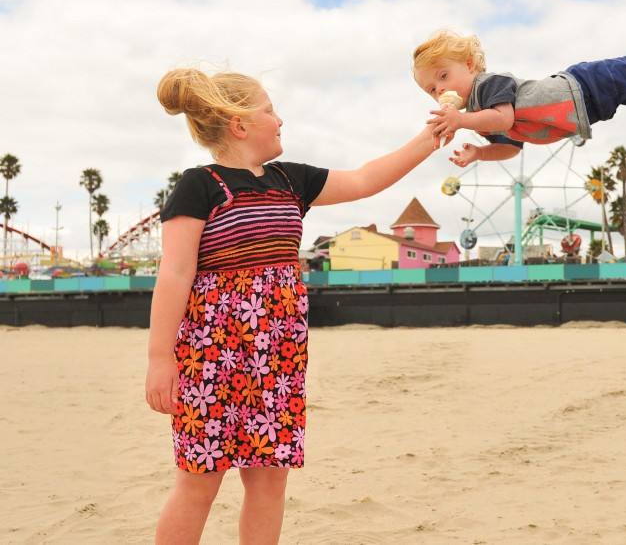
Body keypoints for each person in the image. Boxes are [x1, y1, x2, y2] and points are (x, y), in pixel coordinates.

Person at [148, 68, 437, 544]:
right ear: (240, 124)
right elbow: (175, 275)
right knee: (200, 478)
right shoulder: (199, 186)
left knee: (270, 476)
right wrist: (161, 360)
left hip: (278, 358)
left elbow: (365, 179)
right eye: (269, 110)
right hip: (209, 359)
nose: (279, 119)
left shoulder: (290, 181)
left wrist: (431, 136)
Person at [413, 30, 626, 167]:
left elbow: (503, 118)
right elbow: (512, 147)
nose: (440, 90)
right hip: (584, 112)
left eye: (443, 77)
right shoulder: (477, 117)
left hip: (580, 83)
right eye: (431, 88)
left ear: (470, 66)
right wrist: (479, 154)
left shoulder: (489, 86)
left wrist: (461, 121)